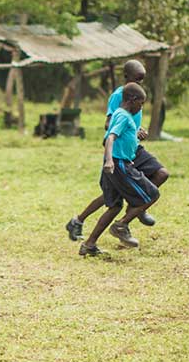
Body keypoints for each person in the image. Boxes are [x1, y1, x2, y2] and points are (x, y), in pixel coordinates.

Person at [66, 60, 169, 241]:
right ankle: (83, 220)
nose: (139, 84)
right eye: (137, 79)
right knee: (114, 195)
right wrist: (129, 131)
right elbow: (110, 124)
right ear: (127, 77)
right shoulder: (120, 96)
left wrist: (137, 130)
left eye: (142, 80)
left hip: (133, 148)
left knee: (161, 173)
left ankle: (135, 209)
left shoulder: (137, 94)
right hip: (120, 152)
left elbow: (129, 121)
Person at [79, 83, 160, 255]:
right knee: (152, 194)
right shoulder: (124, 116)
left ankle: (89, 245)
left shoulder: (119, 114)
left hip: (114, 164)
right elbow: (110, 139)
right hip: (120, 165)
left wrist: (133, 137)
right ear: (132, 100)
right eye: (141, 103)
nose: (141, 107)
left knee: (114, 206)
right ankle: (121, 225)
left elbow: (110, 138)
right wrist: (110, 160)